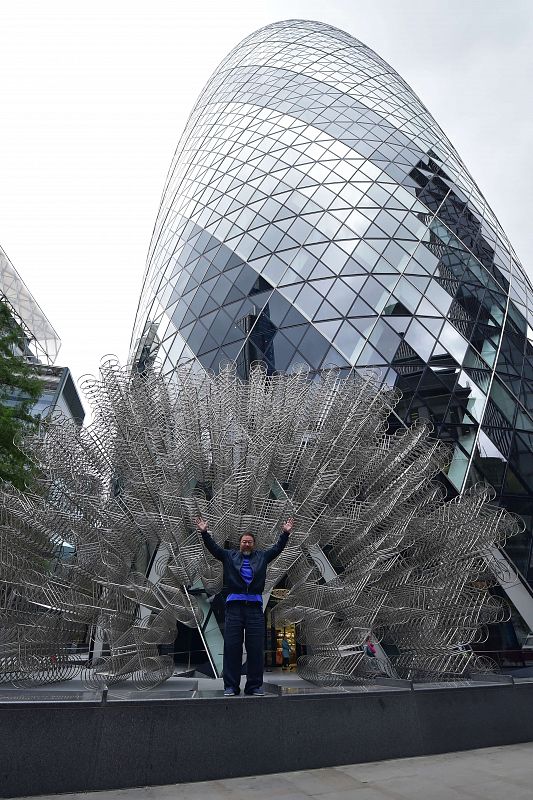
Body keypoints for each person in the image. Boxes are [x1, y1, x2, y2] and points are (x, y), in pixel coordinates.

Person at [196, 515, 294, 696]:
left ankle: (254, 686)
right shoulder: (229, 556)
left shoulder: (262, 557)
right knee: (232, 647)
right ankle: (231, 686)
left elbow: (277, 549)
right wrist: (204, 533)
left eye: (249, 542)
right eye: (244, 542)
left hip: (255, 609)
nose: (246, 544)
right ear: (239, 544)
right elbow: (214, 549)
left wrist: (285, 534)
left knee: (255, 648)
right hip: (234, 608)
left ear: (253, 544)